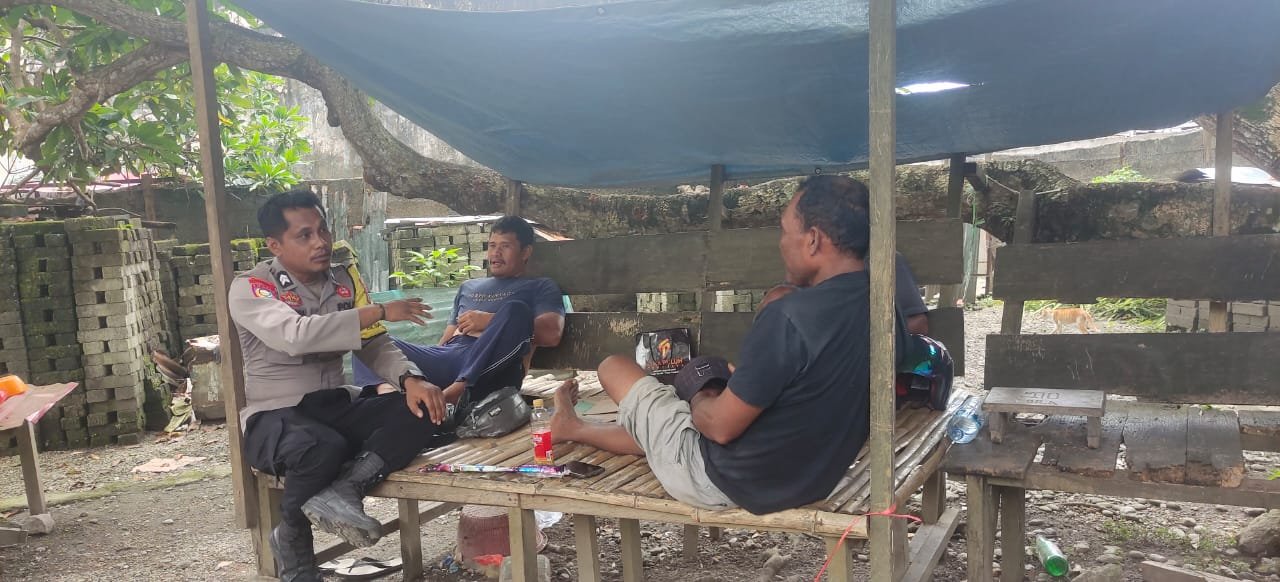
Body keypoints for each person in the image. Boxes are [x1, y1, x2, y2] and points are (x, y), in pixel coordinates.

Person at [550, 175, 908, 515]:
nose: (781, 243)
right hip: (812, 478)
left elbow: (718, 427)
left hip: (720, 480)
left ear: (813, 240)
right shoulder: (882, 306)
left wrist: (699, 393)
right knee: (668, 419)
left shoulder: (790, 316)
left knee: (615, 367)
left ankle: (576, 426)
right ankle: (574, 428)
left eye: (785, 231)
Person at [229, 189, 447, 582]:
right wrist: (378, 311)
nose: (321, 242)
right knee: (321, 447)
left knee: (422, 409)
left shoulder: (344, 280)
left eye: (323, 230)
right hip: (276, 415)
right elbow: (295, 336)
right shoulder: (253, 287)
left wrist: (410, 379)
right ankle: (292, 542)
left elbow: (373, 342)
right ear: (275, 245)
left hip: (333, 405)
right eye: (305, 235)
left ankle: (346, 489)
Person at [352, 215, 565, 408]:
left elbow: (551, 334)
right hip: (449, 357)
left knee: (516, 309)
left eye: (505, 246)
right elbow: (447, 340)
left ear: (526, 252)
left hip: (494, 368)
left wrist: (488, 322)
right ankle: (388, 401)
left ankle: (456, 393)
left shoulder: (539, 287)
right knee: (366, 340)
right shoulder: (469, 287)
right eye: (492, 245)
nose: (495, 253)